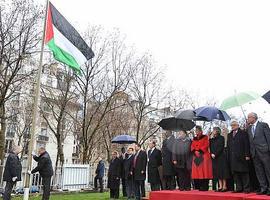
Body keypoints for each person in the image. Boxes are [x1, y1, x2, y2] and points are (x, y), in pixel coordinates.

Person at [247, 112, 270, 195]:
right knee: (259, 172)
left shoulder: (263, 125)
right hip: (254, 153)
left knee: (268, 170)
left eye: (249, 117)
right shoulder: (248, 128)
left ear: (254, 118)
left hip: (264, 152)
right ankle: (263, 188)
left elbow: (268, 138)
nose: (248, 119)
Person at [227, 121, 250, 193]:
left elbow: (246, 144)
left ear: (237, 125)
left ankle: (246, 188)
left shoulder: (243, 133)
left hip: (242, 156)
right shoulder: (229, 135)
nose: (232, 126)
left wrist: (247, 155)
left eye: (234, 125)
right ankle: (239, 188)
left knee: (244, 173)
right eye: (231, 125)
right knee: (235, 173)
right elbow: (228, 146)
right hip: (233, 157)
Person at [191, 125, 213, 191]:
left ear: (200, 131)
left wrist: (200, 151)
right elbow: (192, 146)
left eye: (197, 130)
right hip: (196, 157)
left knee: (204, 171)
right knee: (197, 172)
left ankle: (205, 186)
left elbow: (206, 145)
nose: (196, 132)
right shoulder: (194, 139)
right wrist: (195, 151)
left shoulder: (205, 137)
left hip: (203, 156)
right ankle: (198, 186)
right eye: (196, 130)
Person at [210, 127, 230, 192]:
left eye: (214, 130)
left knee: (223, 172)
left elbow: (221, 147)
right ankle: (220, 186)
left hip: (221, 157)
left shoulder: (221, 138)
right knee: (217, 172)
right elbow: (210, 146)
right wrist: (209, 136)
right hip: (214, 158)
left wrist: (215, 154)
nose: (213, 131)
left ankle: (224, 186)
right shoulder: (212, 139)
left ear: (217, 131)